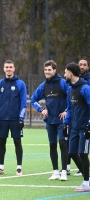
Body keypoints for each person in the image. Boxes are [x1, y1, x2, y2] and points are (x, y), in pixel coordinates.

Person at [30, 60, 69, 180]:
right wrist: (41, 110)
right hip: (50, 121)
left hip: (62, 121)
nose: (47, 72)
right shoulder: (43, 86)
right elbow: (33, 99)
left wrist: (67, 111)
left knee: (63, 144)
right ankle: (55, 172)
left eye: (49, 70)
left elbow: (72, 97)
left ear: (54, 70)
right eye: (45, 70)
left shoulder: (62, 83)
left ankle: (64, 172)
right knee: (52, 146)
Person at [0, 60, 27, 176]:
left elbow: (23, 103)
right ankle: (0, 167)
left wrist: (21, 118)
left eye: (10, 67)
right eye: (7, 67)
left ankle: (19, 168)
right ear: (3, 69)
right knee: (1, 143)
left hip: (15, 119)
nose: (9, 69)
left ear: (14, 69)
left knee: (17, 142)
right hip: (2, 119)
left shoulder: (20, 84)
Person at [63, 62, 90, 192]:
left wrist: (89, 124)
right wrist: (66, 123)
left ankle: (87, 182)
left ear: (70, 73)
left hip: (84, 127)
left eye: (65, 72)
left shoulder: (85, 88)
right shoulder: (70, 89)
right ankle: (88, 177)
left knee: (83, 153)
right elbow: (69, 108)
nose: (64, 75)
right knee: (72, 152)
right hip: (74, 127)